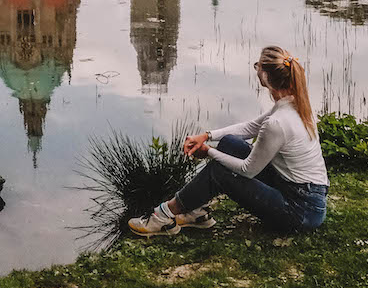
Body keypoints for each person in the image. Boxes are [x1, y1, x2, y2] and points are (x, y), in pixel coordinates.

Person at [129, 46, 329, 237]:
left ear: (266, 77)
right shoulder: (295, 104)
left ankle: (163, 215)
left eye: (257, 66)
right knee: (230, 143)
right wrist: (207, 136)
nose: (256, 70)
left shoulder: (278, 123)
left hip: (300, 211)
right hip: (305, 194)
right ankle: (196, 212)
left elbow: (247, 169)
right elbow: (251, 127)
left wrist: (208, 151)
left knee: (219, 173)